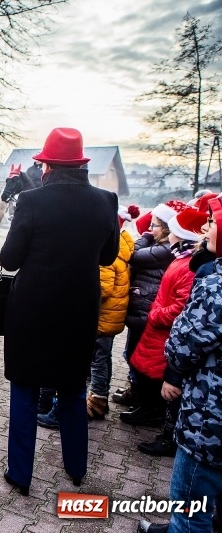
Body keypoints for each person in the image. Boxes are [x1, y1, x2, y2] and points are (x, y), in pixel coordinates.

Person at [0, 127, 119, 496]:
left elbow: (9, 259)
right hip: (79, 311)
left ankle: (20, 474)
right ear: (81, 164)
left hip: (32, 311)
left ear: (47, 165)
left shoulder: (33, 201)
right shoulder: (106, 201)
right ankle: (77, 469)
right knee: (71, 389)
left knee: (24, 391)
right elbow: (108, 257)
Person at [137, 198, 222, 533]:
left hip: (210, 415)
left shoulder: (216, 286)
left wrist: (173, 366)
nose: (206, 228)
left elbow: (187, 338)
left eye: (213, 223)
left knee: (191, 500)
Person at [124, 207, 205, 447]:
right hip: (155, 323)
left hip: (160, 325)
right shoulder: (180, 258)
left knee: (157, 375)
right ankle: (147, 409)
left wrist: (156, 313)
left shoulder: (187, 265)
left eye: (156, 226)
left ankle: (158, 420)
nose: (151, 229)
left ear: (176, 232)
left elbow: (181, 303)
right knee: (144, 367)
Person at [111, 201, 184, 406]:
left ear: (167, 228)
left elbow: (133, 254)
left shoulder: (164, 249)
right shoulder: (161, 246)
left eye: (155, 226)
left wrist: (144, 236)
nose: (150, 229)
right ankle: (137, 393)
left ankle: (143, 399)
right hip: (144, 304)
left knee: (139, 354)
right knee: (133, 352)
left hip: (147, 306)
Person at [85, 205, 139, 420]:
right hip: (111, 317)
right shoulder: (123, 247)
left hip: (102, 317)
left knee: (97, 360)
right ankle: (101, 396)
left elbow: (102, 289)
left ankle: (97, 401)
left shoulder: (108, 255)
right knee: (103, 358)